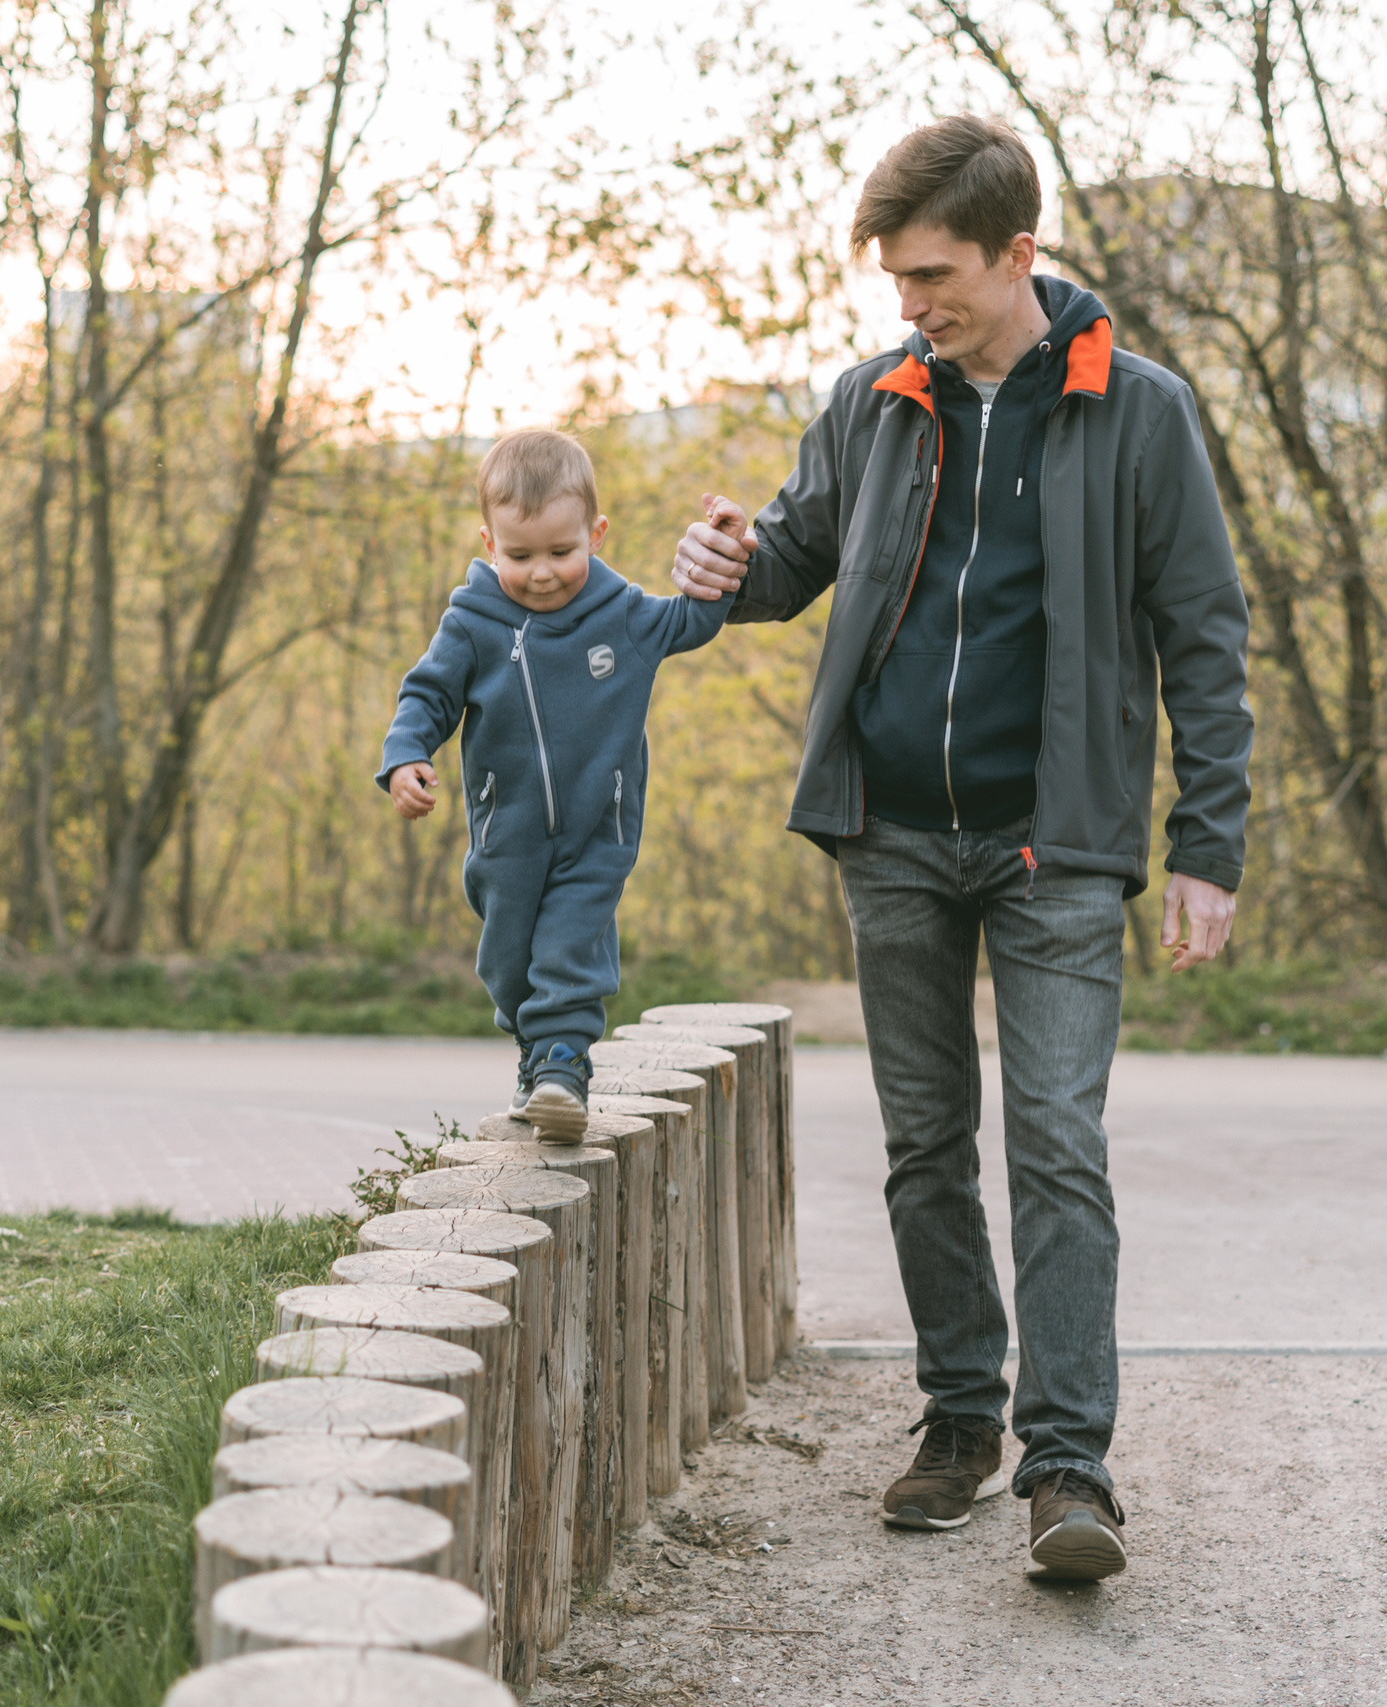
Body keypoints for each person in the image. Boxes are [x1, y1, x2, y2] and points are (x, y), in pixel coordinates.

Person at [671, 116, 1253, 1581]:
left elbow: (1204, 635)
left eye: (932, 274)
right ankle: (957, 1421)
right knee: (925, 1146)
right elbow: (793, 561)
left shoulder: (1142, 411)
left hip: (1059, 844)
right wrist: (724, 566)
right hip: (890, 834)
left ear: (1016, 254)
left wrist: (1208, 842)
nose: (909, 302)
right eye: (895, 277)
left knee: (1058, 1143)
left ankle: (1068, 1466)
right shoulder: (873, 401)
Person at [380, 427, 736, 1138]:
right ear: (489, 544)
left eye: (560, 552)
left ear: (595, 535)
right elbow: (428, 695)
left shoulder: (622, 616)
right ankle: (537, 1057)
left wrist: (723, 554)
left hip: (598, 829)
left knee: (570, 947)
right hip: (506, 833)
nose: (542, 573)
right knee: (509, 961)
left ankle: (565, 1066)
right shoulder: (473, 622)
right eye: (520, 556)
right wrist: (405, 754)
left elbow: (694, 619)